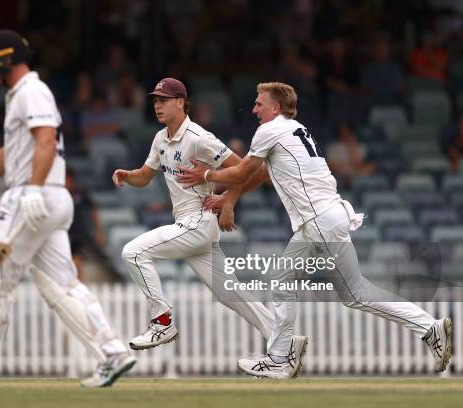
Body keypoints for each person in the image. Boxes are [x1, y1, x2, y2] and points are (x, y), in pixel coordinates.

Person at [177, 81, 452, 379]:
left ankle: (280, 358)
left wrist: (206, 174)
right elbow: (258, 173)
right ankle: (429, 327)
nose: (254, 108)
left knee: (284, 280)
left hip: (318, 220)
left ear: (275, 107)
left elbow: (243, 171)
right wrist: (228, 199)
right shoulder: (295, 129)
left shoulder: (269, 131)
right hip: (328, 216)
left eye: (259, 103)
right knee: (353, 293)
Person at [0, 29, 135, 389]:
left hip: (32, 198)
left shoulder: (31, 91)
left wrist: (34, 188)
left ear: (2, 62)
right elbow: (14, 153)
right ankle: (112, 352)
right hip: (49, 201)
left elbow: (44, 139)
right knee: (61, 286)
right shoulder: (22, 95)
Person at [112, 78, 307, 373]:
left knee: (133, 252)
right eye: (155, 100)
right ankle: (286, 343)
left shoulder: (199, 137)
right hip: (188, 225)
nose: (158, 105)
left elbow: (244, 169)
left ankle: (162, 323)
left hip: (198, 222)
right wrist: (129, 176)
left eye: (164, 100)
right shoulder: (160, 139)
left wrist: (227, 202)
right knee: (230, 294)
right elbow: (145, 176)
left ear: (181, 102)